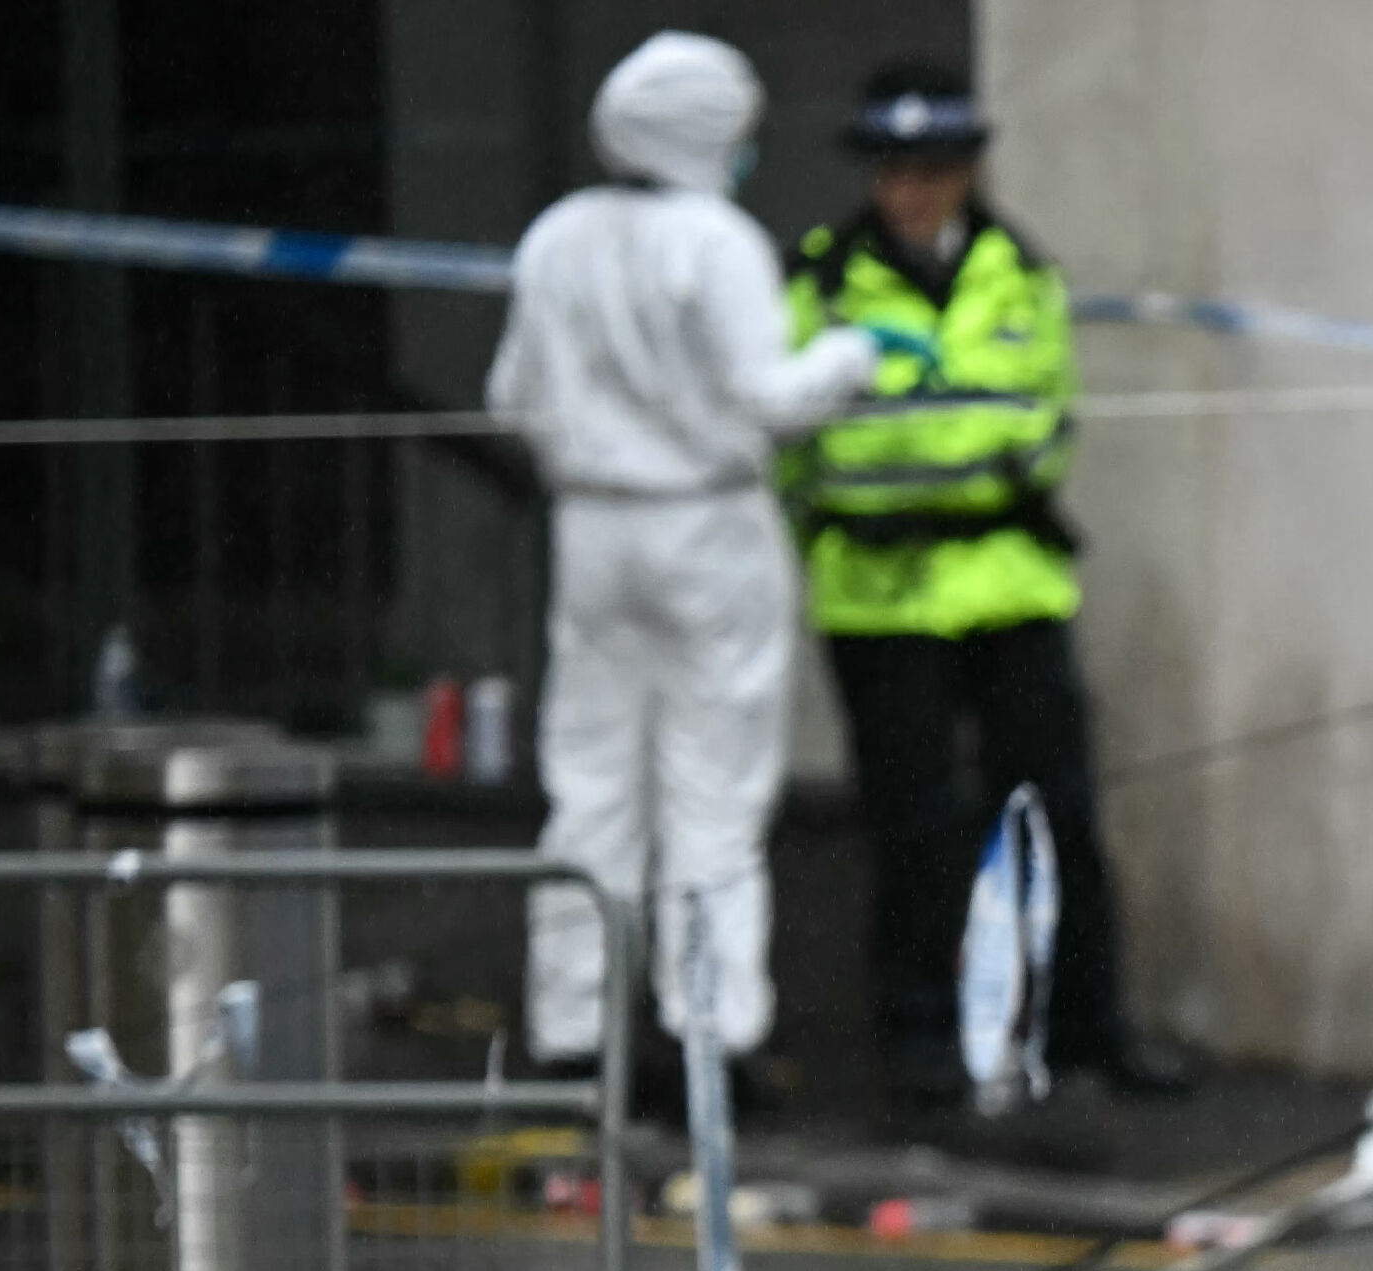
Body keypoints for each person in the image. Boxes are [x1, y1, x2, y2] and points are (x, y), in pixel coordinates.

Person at [786, 60, 1173, 1124]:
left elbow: (1047, 416)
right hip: (882, 593)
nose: (914, 191)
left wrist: (960, 466)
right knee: (913, 823)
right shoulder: (821, 280)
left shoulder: (1019, 271)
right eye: (896, 170)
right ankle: (921, 1036)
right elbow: (792, 447)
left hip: (1009, 581)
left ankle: (1089, 1029)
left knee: (1059, 813)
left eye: (935, 169)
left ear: (966, 171)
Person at [489, 33, 878, 1083]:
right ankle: (713, 1035)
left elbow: (510, 396)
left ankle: (574, 1031)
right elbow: (771, 397)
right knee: (714, 787)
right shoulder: (718, 240)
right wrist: (854, 356)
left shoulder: (558, 235)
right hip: (708, 530)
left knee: (589, 786)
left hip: (591, 530)